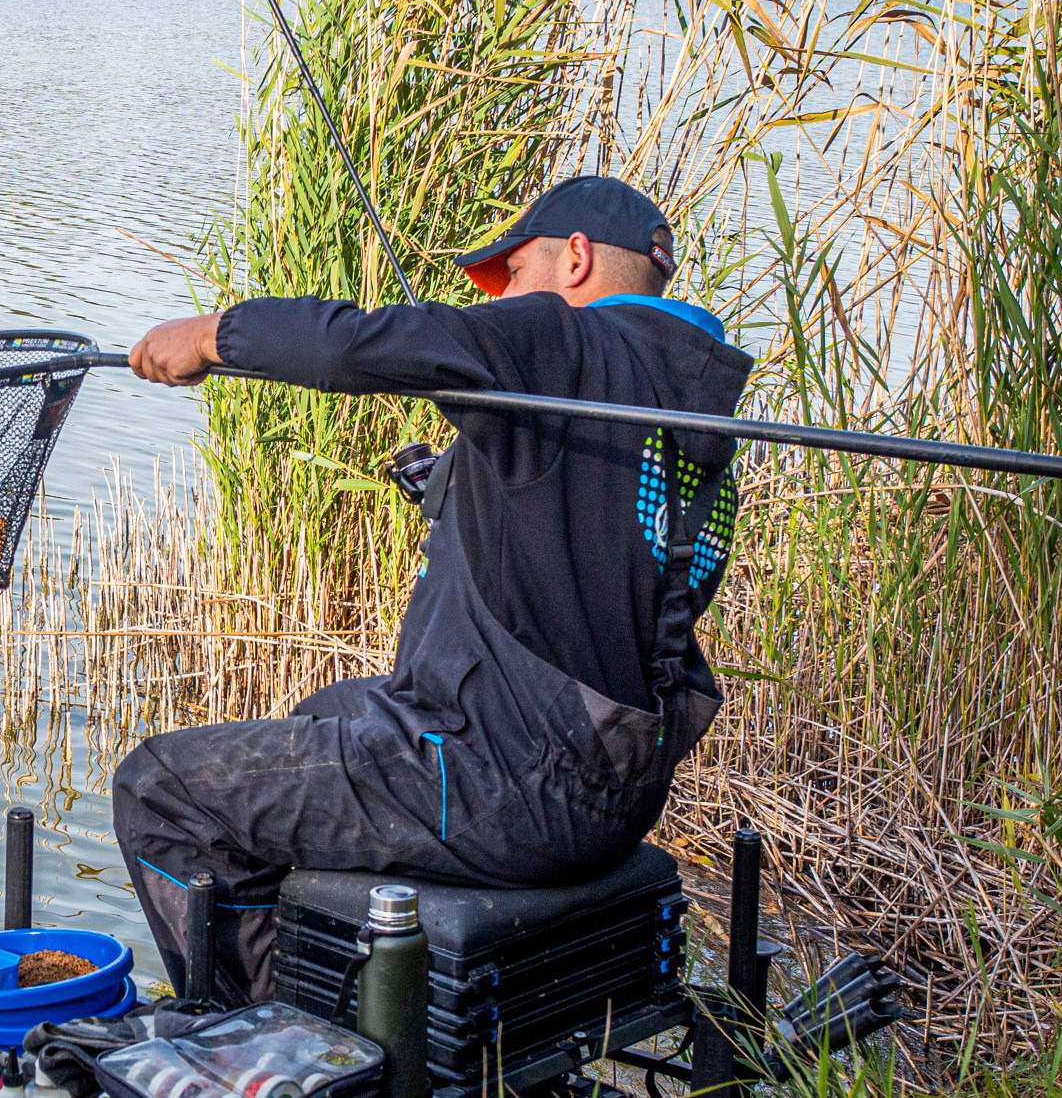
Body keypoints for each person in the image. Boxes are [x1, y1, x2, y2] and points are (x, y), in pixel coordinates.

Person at [116, 175, 753, 1004]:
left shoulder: (562, 342)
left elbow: (358, 344)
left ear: (575, 261)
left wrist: (211, 335)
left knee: (163, 788)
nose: (504, 304)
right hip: (609, 789)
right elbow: (601, 570)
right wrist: (464, 488)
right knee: (323, 713)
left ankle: (271, 1045)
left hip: (506, 783)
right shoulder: (682, 408)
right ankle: (351, 993)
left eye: (514, 276)